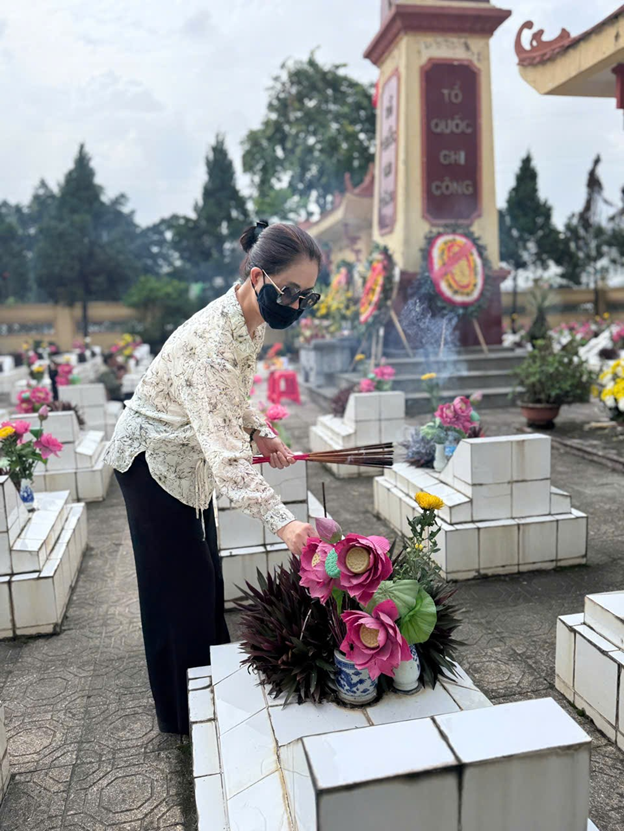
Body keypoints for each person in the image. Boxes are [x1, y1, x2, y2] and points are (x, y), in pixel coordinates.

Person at [104, 221, 323, 735]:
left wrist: (261, 431)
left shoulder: (249, 321)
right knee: (175, 592)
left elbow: (232, 396)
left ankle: (209, 693)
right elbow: (227, 461)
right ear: (257, 277)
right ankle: (183, 718)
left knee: (203, 581)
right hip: (152, 464)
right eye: (289, 292)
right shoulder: (211, 342)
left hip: (187, 459)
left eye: (307, 297)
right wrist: (286, 524)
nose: (295, 305)